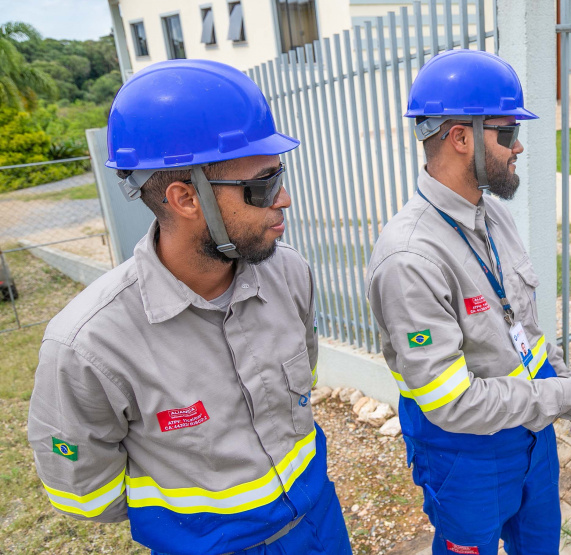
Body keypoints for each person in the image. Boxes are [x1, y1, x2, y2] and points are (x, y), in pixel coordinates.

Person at [27, 60, 351, 555]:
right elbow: (85, 493)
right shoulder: (89, 344)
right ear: (184, 198)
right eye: (263, 184)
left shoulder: (288, 274)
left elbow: (301, 371)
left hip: (319, 527)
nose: (283, 198)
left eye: (279, 176)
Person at [365, 49, 571, 555]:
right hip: (466, 455)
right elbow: (454, 403)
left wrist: (564, 380)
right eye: (506, 133)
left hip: (529, 430)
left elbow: (519, 324)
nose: (519, 146)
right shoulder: (410, 258)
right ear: (460, 137)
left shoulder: (491, 214)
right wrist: (567, 396)